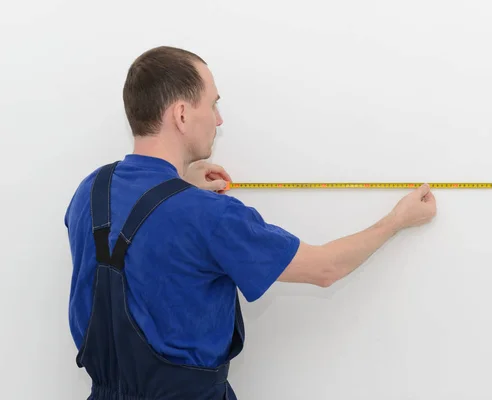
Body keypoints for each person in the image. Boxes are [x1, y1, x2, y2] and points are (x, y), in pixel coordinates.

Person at [64, 45, 437, 400]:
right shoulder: (209, 216)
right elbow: (325, 268)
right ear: (180, 114)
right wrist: (397, 220)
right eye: (213, 104)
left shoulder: (90, 193)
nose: (219, 119)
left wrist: (176, 188)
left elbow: (137, 253)